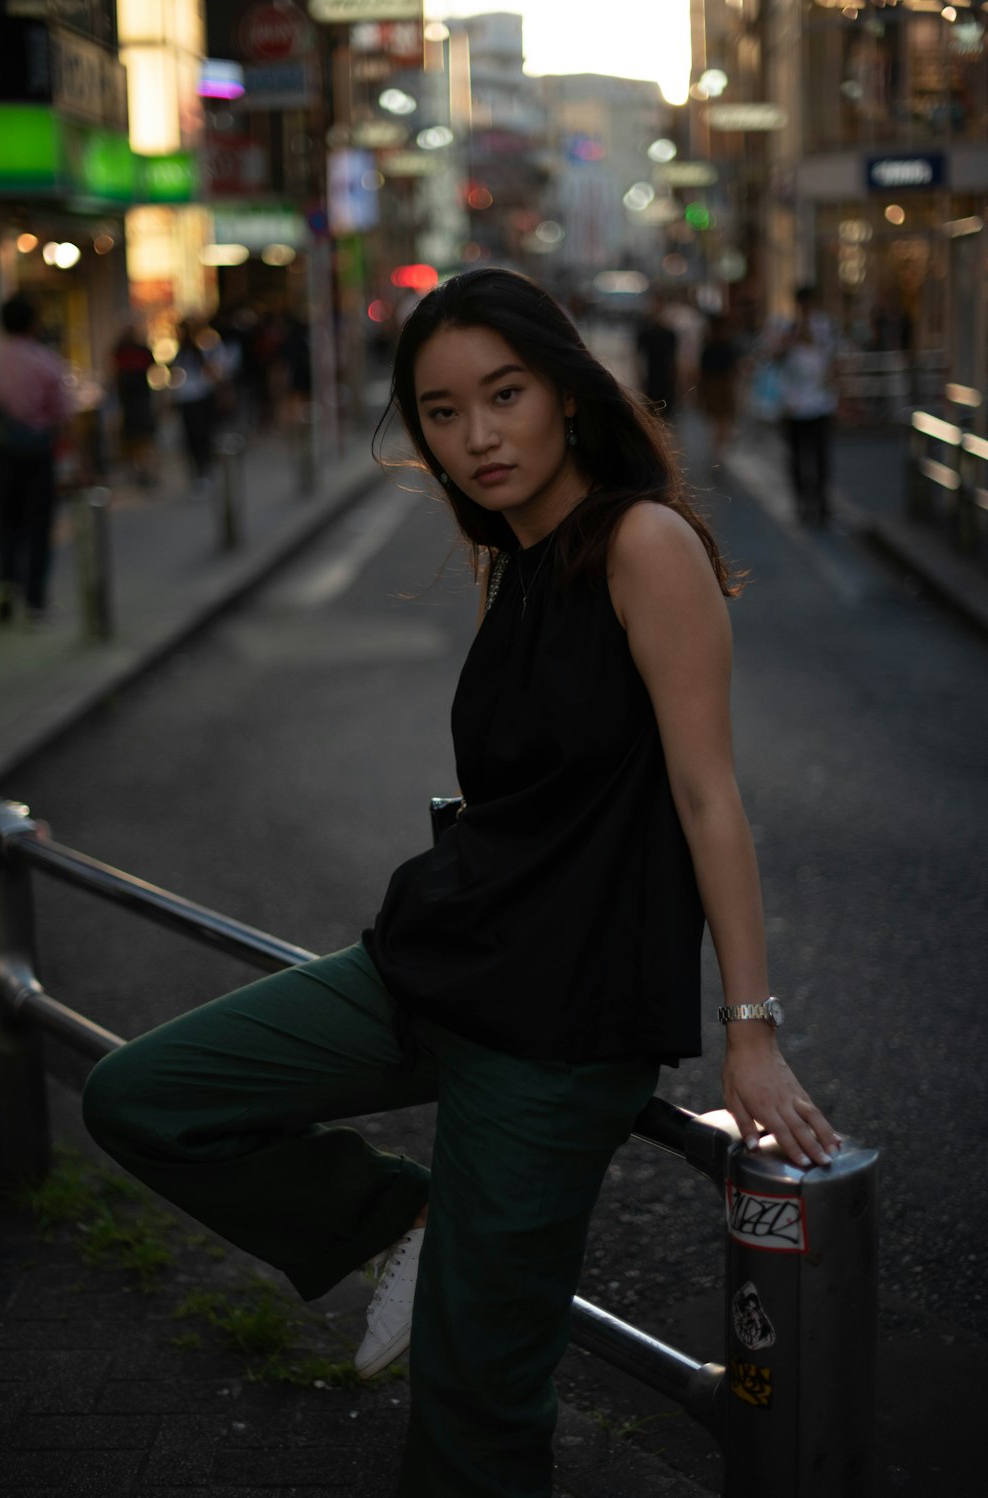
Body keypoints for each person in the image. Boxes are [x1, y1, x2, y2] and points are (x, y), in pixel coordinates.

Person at [81, 268, 840, 1498]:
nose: (477, 435)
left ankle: (446, 1259)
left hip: (555, 1032)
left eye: (504, 395)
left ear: (567, 395)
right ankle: (393, 1221)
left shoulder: (641, 543)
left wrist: (748, 1031)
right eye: (441, 411)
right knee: (143, 1098)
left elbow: (708, 796)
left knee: (472, 1412)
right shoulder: (519, 557)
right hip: (434, 965)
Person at [0, 293, 75, 625]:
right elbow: (62, 414)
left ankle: (6, 586)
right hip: (38, 450)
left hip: (3, 451)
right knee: (38, 524)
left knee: (7, 523)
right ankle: (35, 599)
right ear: (32, 323)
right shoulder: (45, 360)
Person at [778, 289, 839, 526]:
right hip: (793, 404)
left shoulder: (825, 326)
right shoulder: (786, 326)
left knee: (821, 455)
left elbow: (832, 359)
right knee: (796, 456)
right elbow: (774, 355)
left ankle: (821, 503)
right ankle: (802, 502)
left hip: (820, 403)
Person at [169, 318, 218, 486]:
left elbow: (211, 372)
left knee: (201, 435)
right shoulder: (179, 354)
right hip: (187, 400)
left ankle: (204, 470)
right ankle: (197, 473)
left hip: (199, 398)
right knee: (191, 437)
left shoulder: (199, 351)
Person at [112, 320, 158, 488]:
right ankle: (138, 471)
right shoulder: (120, 350)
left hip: (140, 401)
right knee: (134, 440)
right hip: (129, 403)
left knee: (144, 439)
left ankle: (146, 470)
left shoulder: (141, 350)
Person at [697, 313, 742, 463]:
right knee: (722, 421)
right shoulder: (726, 347)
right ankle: (719, 449)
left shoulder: (711, 347)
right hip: (719, 386)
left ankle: (718, 449)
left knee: (719, 422)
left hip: (716, 387)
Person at [635, 294, 678, 418]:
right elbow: (638, 357)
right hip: (651, 375)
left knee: (666, 411)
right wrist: (639, 376)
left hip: (665, 377)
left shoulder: (670, 334)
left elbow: (673, 358)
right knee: (652, 409)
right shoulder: (645, 332)